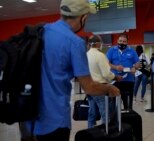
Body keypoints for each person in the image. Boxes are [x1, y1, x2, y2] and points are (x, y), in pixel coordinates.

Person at [33, 0, 120, 141]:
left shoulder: (42, 31)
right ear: (83, 17)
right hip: (55, 118)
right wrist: (109, 88)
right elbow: (89, 88)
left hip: (31, 114)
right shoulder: (74, 42)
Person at [86, 35, 122, 128]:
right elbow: (106, 74)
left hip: (89, 87)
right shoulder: (100, 55)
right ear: (97, 44)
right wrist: (115, 77)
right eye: (101, 42)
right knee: (105, 113)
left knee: (92, 113)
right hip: (100, 87)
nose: (102, 44)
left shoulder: (86, 55)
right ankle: (105, 134)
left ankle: (90, 132)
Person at [106, 33, 140, 110]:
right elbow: (106, 62)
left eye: (124, 41)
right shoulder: (112, 50)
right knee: (113, 104)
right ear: (117, 41)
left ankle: (128, 119)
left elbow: (138, 63)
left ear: (127, 42)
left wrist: (135, 68)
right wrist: (115, 67)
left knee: (127, 104)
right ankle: (115, 120)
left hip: (128, 80)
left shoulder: (132, 51)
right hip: (114, 80)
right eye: (120, 41)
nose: (122, 43)